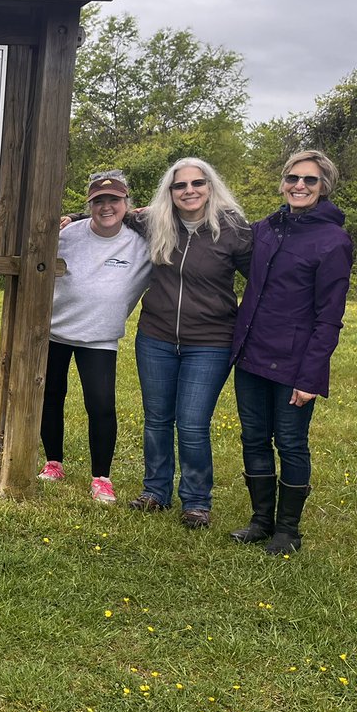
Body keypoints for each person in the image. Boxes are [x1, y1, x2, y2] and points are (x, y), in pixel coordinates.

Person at [229, 150, 352, 555]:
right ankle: (261, 521)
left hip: (295, 363)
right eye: (293, 178)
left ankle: (288, 530)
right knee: (253, 438)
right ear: (283, 182)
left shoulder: (333, 241)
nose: (300, 185)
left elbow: (329, 316)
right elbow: (217, 230)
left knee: (291, 443)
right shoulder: (265, 228)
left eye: (310, 180)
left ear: (323, 187)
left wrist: (310, 376)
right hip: (251, 354)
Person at [126, 158, 251, 528]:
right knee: (157, 420)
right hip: (156, 338)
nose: (189, 191)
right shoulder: (155, 222)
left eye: (198, 183)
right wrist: (72, 217)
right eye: (180, 186)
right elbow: (113, 213)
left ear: (210, 187)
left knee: (193, 424)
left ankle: (196, 502)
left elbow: (263, 279)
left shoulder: (233, 229)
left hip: (210, 342)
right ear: (170, 192)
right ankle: (155, 491)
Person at [39, 170, 151, 503]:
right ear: (89, 205)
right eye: (98, 201)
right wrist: (69, 218)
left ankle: (101, 478)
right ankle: (53, 463)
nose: (106, 207)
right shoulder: (69, 233)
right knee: (50, 396)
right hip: (55, 331)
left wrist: (137, 214)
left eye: (114, 200)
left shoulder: (142, 245)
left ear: (126, 203)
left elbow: (166, 212)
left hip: (99, 337)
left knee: (101, 405)